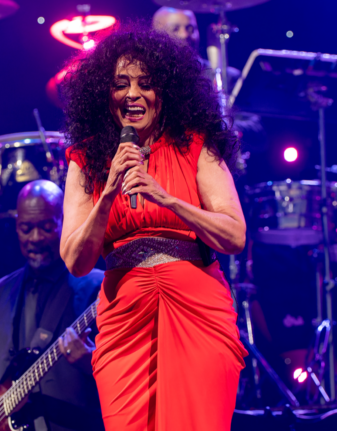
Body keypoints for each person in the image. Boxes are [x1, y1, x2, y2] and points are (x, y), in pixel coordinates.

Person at [60, 25, 248, 430]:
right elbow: (76, 261)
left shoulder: (196, 144)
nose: (133, 95)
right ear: (101, 93)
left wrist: (166, 198)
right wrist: (107, 192)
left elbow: (234, 235)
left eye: (146, 84)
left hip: (197, 310)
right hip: (124, 317)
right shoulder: (85, 159)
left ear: (166, 90)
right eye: (120, 85)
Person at [0, 180, 104, 431]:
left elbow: (123, 369)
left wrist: (90, 361)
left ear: (63, 222)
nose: (35, 238)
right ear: (16, 227)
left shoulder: (96, 286)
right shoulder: (1, 290)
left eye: (46, 227)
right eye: (26, 228)